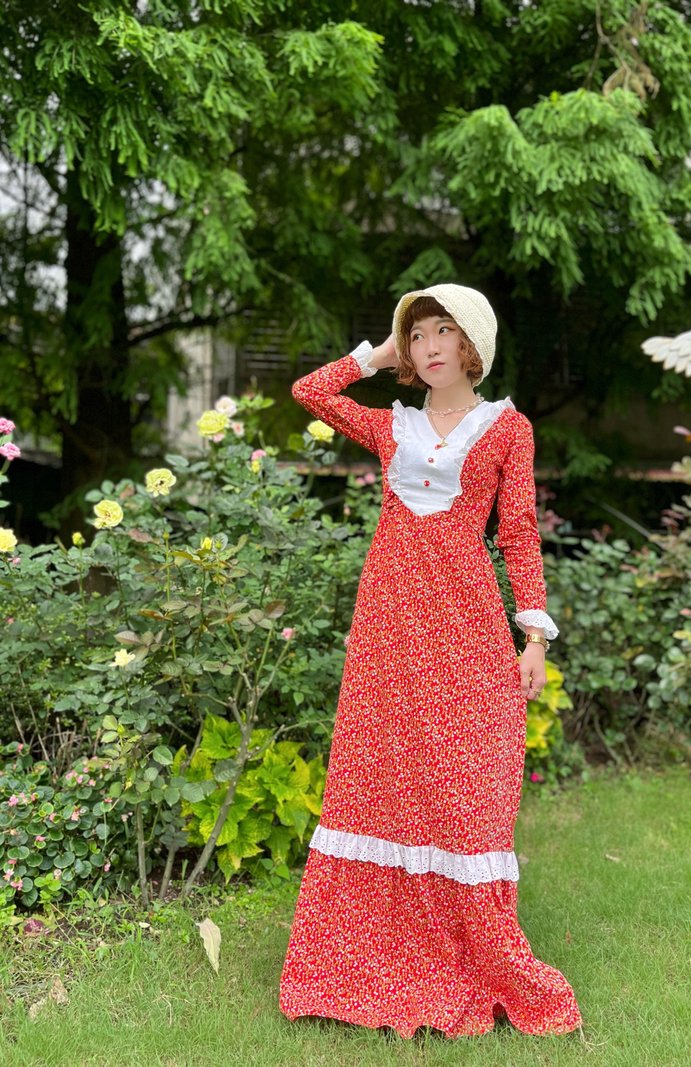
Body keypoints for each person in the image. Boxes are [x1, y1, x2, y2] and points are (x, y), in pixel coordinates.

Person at [279, 283, 582, 1039]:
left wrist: (534, 636)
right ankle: (366, 953)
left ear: (474, 342)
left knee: (466, 778)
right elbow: (309, 391)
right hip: (388, 623)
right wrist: (373, 354)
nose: (430, 345)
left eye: (445, 330)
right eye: (417, 336)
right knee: (382, 772)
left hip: (466, 621)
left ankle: (470, 946)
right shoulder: (391, 426)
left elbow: (519, 533)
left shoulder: (508, 428)